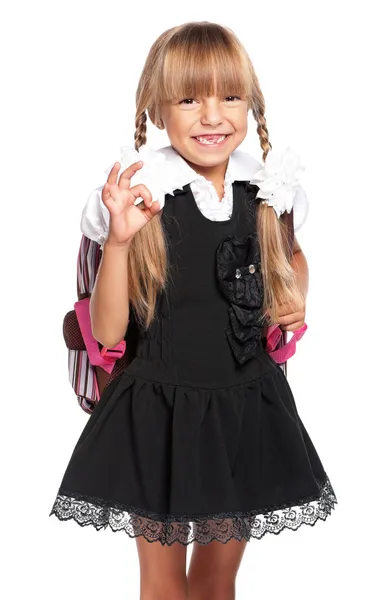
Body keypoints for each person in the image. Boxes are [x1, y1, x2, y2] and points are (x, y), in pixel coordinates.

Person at [49, 21, 337, 600]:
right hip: (159, 412)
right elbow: (106, 333)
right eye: (189, 98)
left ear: (249, 103)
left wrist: (294, 293)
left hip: (245, 407)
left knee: (216, 579)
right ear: (157, 110)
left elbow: (292, 258)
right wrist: (122, 244)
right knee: (162, 582)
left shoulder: (266, 191)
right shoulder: (142, 197)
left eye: (229, 96)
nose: (212, 116)